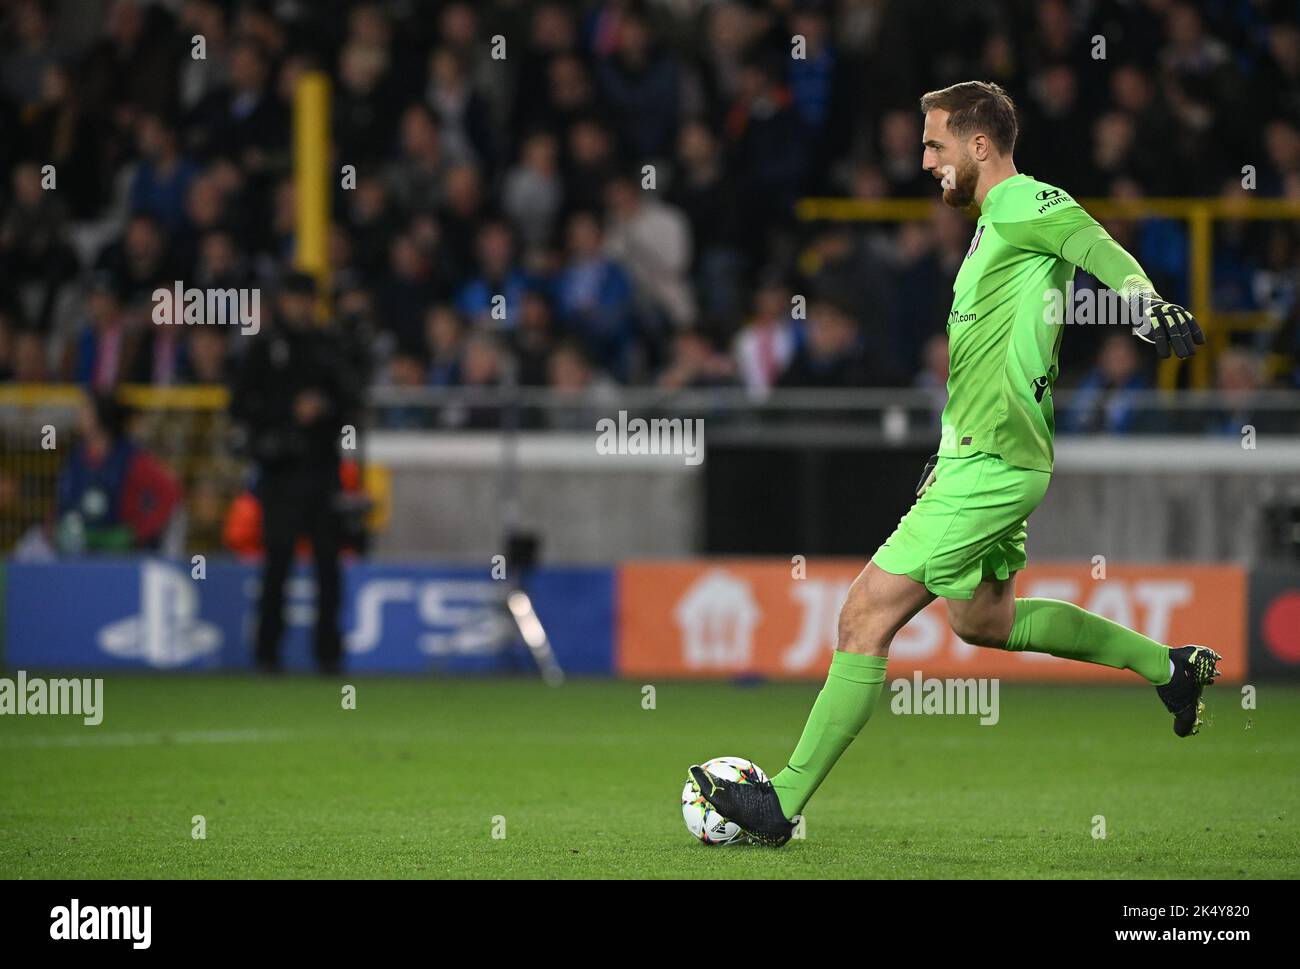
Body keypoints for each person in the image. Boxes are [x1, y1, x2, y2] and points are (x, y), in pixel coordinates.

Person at [691, 81, 1217, 847]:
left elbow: (1097, 244)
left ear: (979, 145)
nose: (926, 159)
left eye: (935, 144)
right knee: (983, 621)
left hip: (995, 466)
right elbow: (984, 362)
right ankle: (1170, 669)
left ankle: (782, 802)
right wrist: (945, 456)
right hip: (981, 459)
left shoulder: (1026, 202)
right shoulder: (989, 229)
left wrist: (1143, 302)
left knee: (863, 615)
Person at [231, 271, 361, 674]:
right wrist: (288, 413)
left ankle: (328, 653)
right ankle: (267, 653)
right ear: (282, 300)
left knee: (328, 564)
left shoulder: (328, 346)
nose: (300, 306)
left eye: (306, 298)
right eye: (294, 298)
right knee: (278, 562)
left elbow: (350, 403)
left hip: (322, 468)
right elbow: (240, 407)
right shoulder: (263, 348)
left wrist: (324, 409)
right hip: (280, 471)